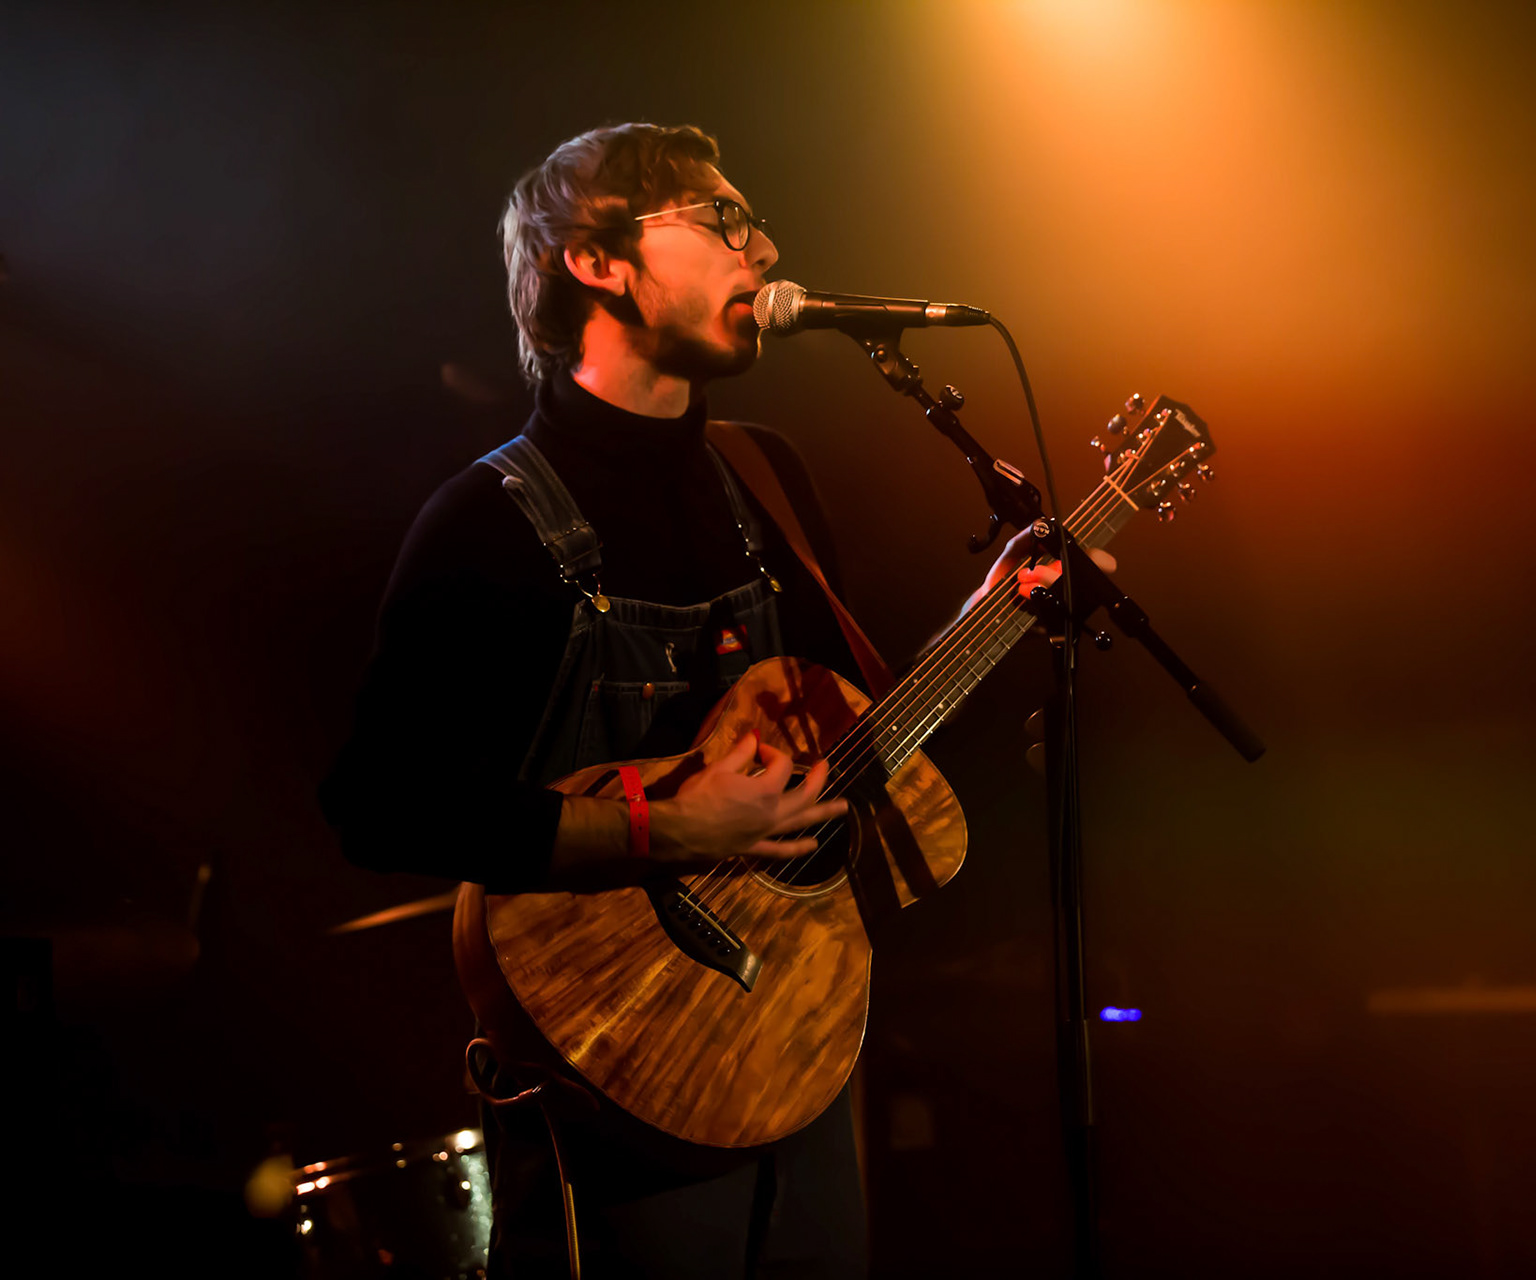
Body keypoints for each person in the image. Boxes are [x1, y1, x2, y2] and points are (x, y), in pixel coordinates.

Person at [320, 123, 1072, 1278]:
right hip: (622, 1086)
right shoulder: (487, 522)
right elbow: (380, 804)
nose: (763, 244)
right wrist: (670, 825)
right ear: (596, 261)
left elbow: (852, 739)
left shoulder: (763, 474)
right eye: (722, 218)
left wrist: (1003, 608)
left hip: (799, 1047)